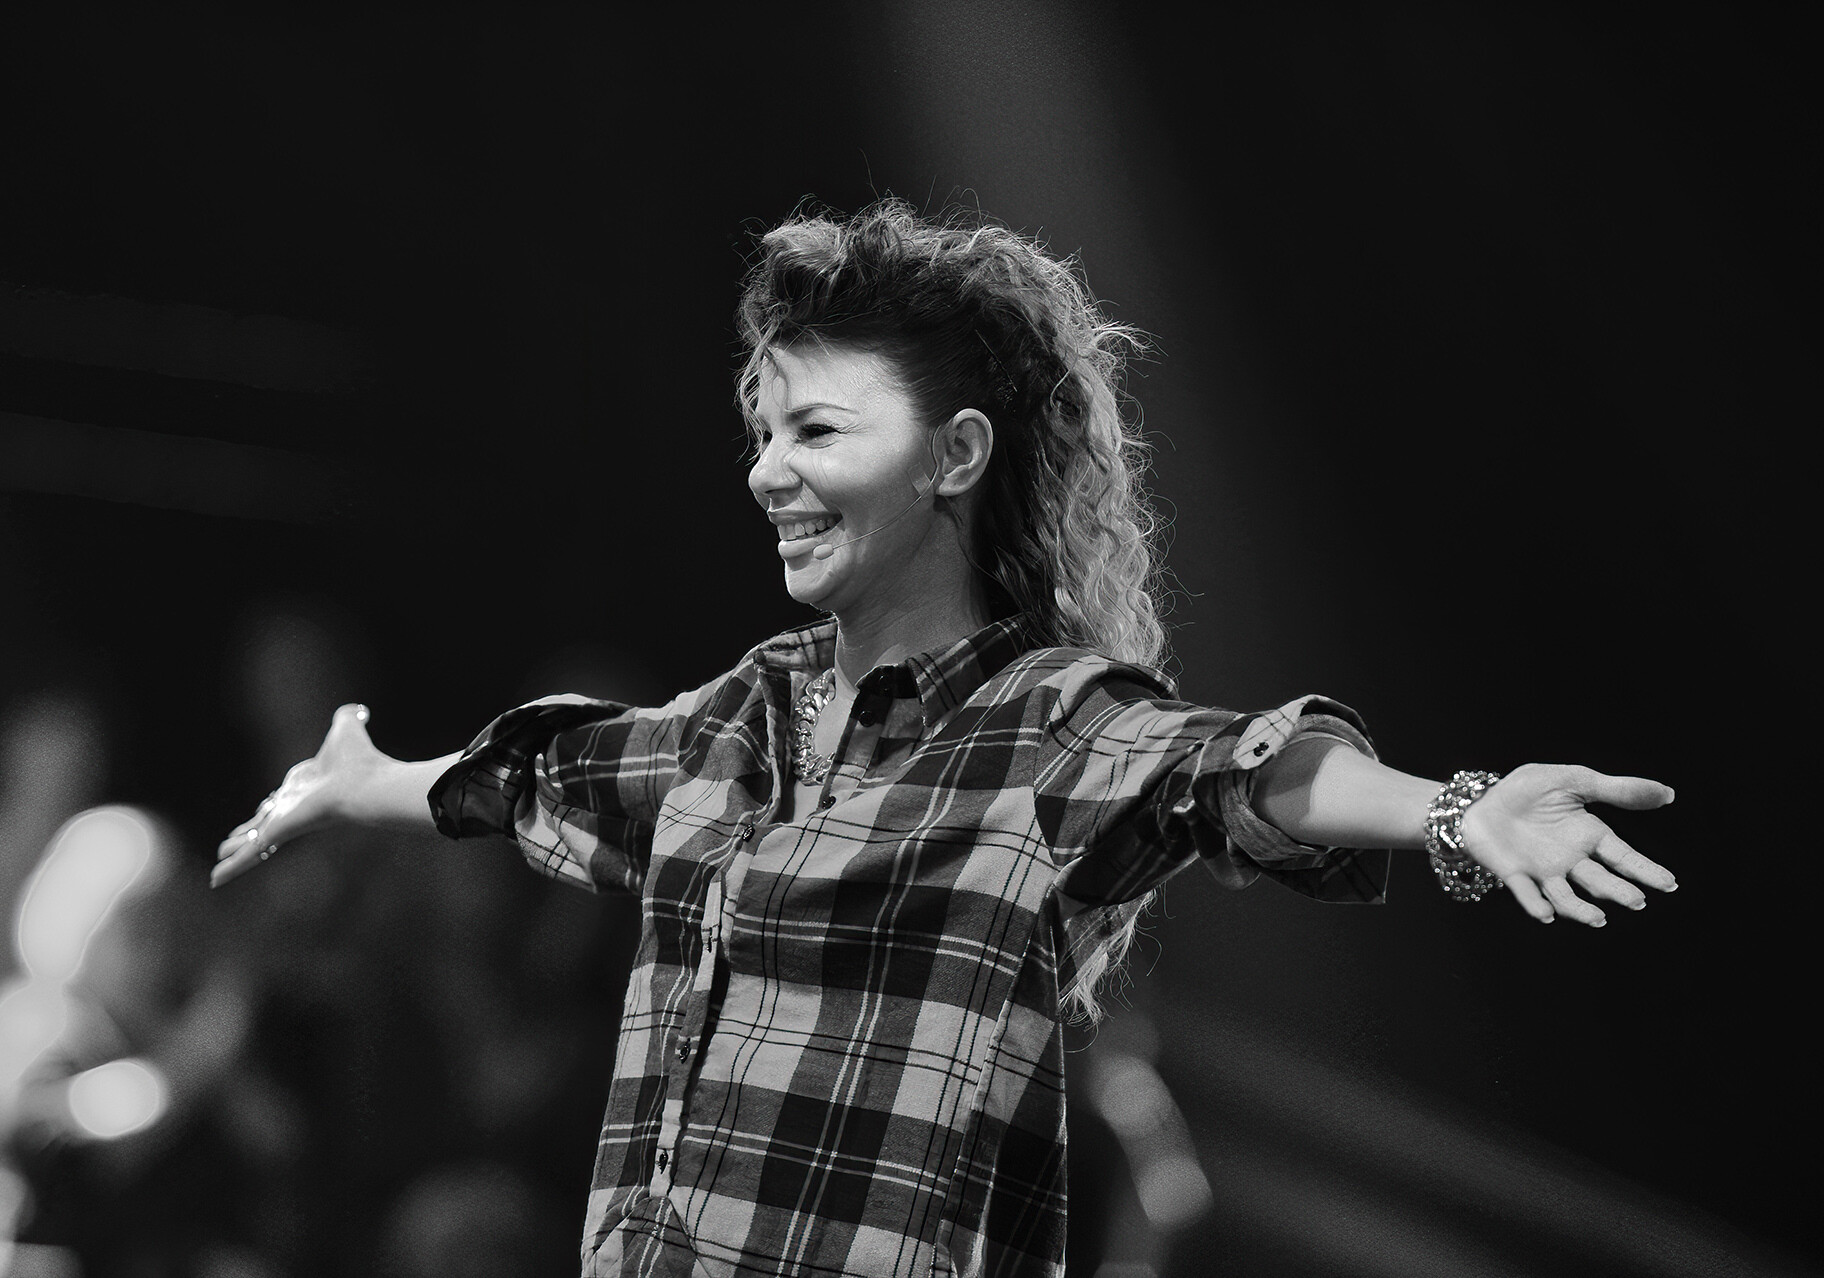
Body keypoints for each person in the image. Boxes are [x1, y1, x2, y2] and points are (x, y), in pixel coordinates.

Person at [211, 200, 1677, 1278]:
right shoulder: (745, 714)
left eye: (818, 433)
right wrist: (370, 781)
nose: (766, 472)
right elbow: (555, 772)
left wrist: (1453, 810)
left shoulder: (1041, 724)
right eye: (764, 434)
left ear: (955, 456)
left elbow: (1232, 769)